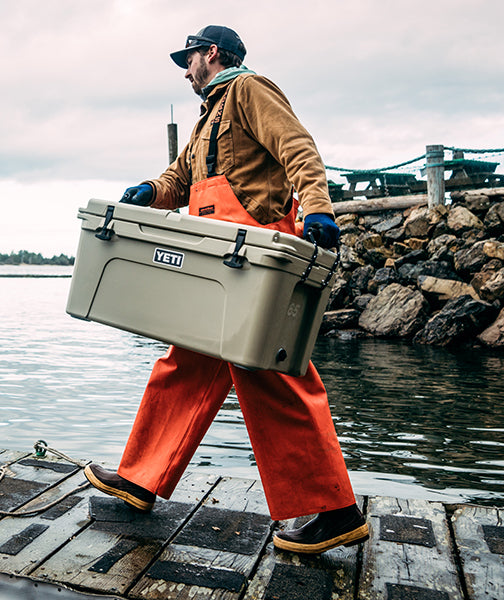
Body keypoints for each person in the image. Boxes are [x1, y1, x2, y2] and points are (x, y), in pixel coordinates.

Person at [84, 25, 368, 554]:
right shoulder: (208, 115)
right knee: (184, 363)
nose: (184, 68)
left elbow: (297, 147)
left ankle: (336, 511)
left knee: (275, 376)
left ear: (210, 53)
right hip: (219, 259)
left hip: (257, 257)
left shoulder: (250, 89)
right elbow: (180, 177)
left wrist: (319, 209)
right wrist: (152, 190)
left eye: (188, 57)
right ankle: (140, 481)